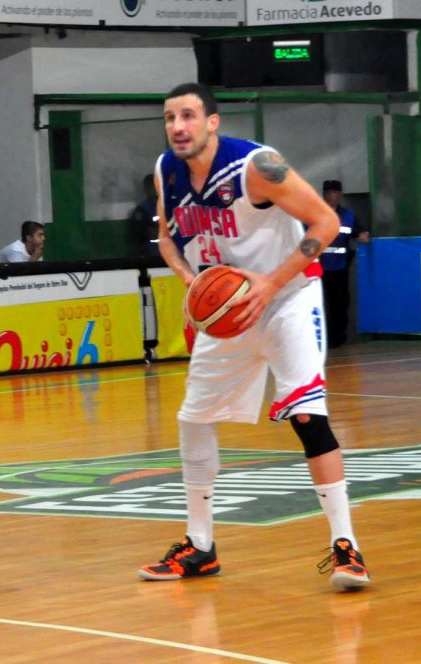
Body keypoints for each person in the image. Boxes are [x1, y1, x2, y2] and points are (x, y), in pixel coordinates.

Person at [137, 82, 369, 591]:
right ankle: (200, 547)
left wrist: (270, 284)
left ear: (212, 122)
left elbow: (326, 221)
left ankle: (346, 547)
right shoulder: (166, 170)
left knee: (307, 416)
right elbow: (167, 237)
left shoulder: (257, 166)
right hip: (229, 308)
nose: (178, 127)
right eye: (170, 117)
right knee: (194, 419)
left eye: (188, 116)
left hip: (288, 299)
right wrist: (190, 281)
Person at [320, 180, 369, 348]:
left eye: (335, 192)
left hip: (340, 268)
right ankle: (320, 339)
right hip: (318, 268)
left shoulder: (348, 216)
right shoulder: (315, 213)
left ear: (340, 194)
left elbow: (358, 231)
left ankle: (337, 339)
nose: (332, 196)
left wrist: (363, 235)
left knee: (340, 303)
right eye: (329, 192)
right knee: (320, 304)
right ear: (324, 194)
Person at [129, 173, 160, 257]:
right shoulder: (142, 211)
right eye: (151, 186)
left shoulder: (168, 206)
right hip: (150, 256)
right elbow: (136, 238)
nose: (154, 189)